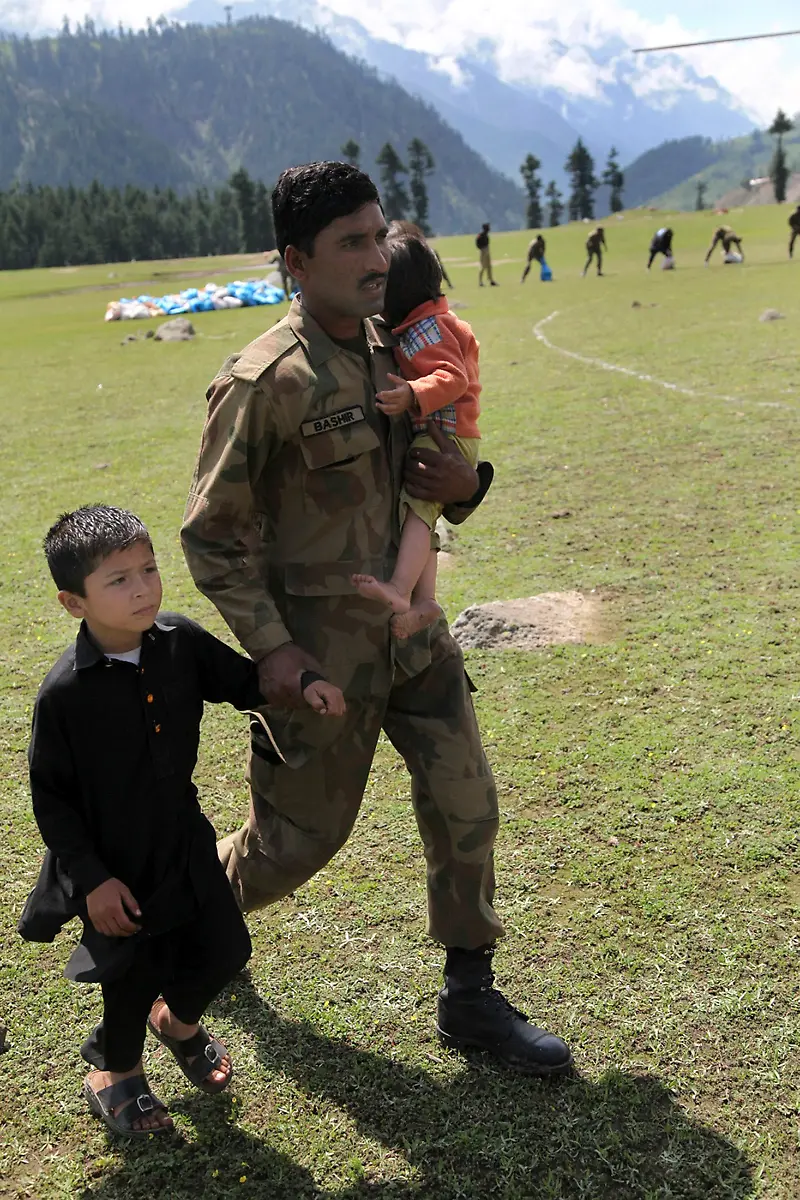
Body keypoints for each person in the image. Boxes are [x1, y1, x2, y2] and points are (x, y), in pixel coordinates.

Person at [181, 161, 572, 1076]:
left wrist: (469, 487)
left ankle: (470, 998)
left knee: (466, 799)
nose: (374, 257)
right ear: (294, 260)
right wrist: (273, 653)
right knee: (295, 848)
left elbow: (440, 470)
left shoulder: (399, 347)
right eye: (350, 242)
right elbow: (212, 538)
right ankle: (191, 909)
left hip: (414, 637)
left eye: (378, 233)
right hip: (323, 661)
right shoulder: (263, 382)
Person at [17, 505, 344, 1140]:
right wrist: (93, 881)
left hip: (183, 837)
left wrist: (301, 684)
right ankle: (114, 1075)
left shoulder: (179, 641)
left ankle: (179, 1024)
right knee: (132, 974)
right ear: (72, 602)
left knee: (226, 948)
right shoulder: (65, 695)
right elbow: (51, 800)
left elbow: (244, 681)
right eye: (118, 580)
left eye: (148, 569)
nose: (142, 588)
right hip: (113, 864)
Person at [352, 223, 481, 639]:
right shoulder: (420, 325)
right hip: (443, 435)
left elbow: (454, 377)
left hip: (444, 436)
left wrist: (412, 393)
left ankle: (402, 589)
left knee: (418, 512)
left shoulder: (428, 329)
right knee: (420, 515)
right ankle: (422, 601)